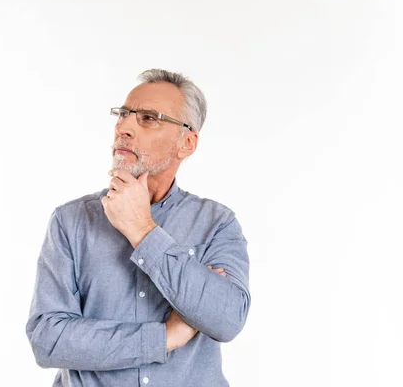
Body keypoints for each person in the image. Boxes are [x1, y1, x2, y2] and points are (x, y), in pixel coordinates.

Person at [25, 69, 251, 387]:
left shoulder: (217, 223)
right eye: (124, 114)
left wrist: (143, 231)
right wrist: (165, 337)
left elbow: (227, 319)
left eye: (148, 118)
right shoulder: (71, 221)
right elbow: (48, 341)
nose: (124, 128)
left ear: (186, 143)